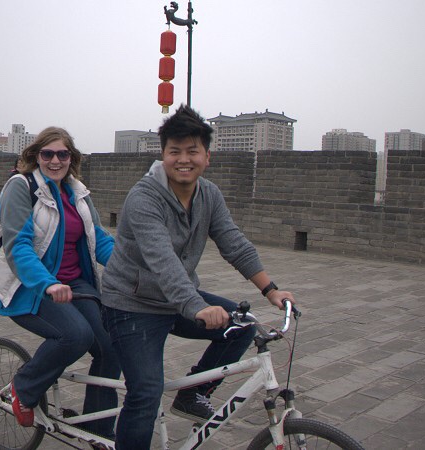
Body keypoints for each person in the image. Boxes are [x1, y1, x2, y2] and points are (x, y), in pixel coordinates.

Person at [100, 105, 296, 449]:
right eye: (175, 151)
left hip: (178, 301)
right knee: (146, 392)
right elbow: (162, 260)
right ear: (163, 155)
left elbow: (233, 243)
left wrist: (270, 290)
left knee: (243, 325)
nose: (183, 159)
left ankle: (192, 394)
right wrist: (195, 306)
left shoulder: (209, 194)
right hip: (131, 306)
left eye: (193, 151)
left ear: (208, 156)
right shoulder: (143, 198)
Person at [0, 127, 119, 438]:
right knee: (75, 336)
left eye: (62, 154)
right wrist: (47, 284)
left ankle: (99, 430)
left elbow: (98, 239)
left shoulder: (77, 192)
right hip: (29, 286)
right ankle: (24, 388)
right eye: (48, 154)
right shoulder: (20, 187)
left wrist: (132, 269)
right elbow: (18, 246)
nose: (55, 160)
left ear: (72, 159)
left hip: (76, 285)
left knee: (112, 346)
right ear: (36, 156)